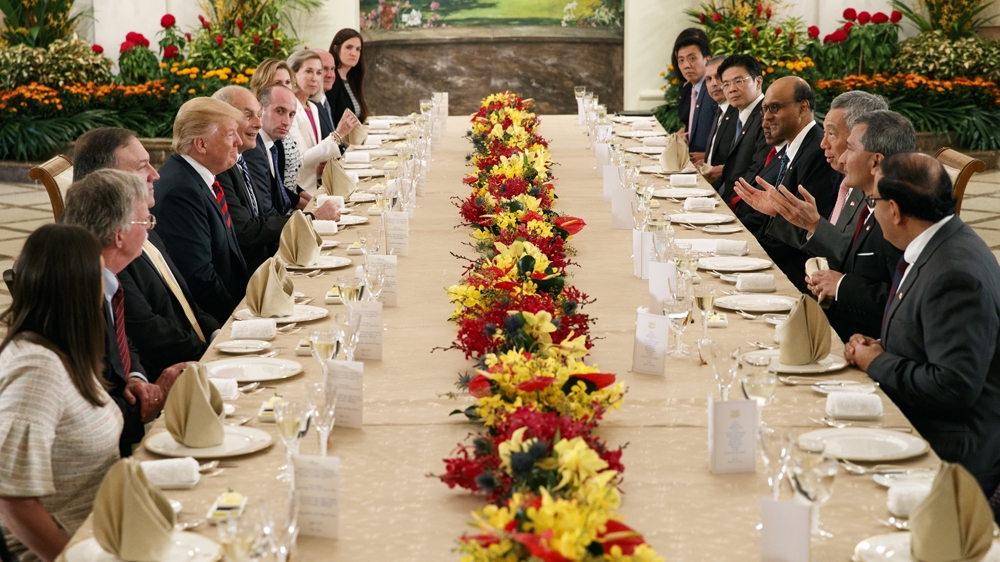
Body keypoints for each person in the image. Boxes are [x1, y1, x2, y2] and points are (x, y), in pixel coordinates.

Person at [847, 152, 1000, 514]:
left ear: (895, 210)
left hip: (949, 448)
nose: (873, 210)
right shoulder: (941, 242)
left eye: (874, 202)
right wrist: (883, 346)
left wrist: (877, 362)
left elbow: (954, 386)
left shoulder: (954, 274)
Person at [0, 225, 122, 562]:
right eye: (100, 274)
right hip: (78, 548)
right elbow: (13, 501)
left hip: (106, 532)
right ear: (78, 289)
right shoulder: (37, 372)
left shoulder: (58, 349)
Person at [71, 127, 220, 382]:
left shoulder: (139, 218)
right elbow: (145, 331)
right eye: (142, 167)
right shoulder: (103, 240)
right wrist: (216, 355)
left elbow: (184, 300)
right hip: (168, 372)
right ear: (109, 178)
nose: (156, 175)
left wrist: (219, 334)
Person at [213, 85, 341, 271]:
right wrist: (309, 218)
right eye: (248, 115)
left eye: (291, 115)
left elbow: (269, 206)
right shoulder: (240, 158)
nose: (258, 123)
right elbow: (248, 230)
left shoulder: (245, 156)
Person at [757, 91, 888, 269]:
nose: (823, 144)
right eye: (824, 132)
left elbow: (856, 260)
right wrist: (781, 213)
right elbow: (833, 245)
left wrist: (813, 224)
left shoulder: (877, 191)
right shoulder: (851, 181)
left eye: (832, 134)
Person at [732, 77, 836, 291]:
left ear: (802, 107)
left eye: (775, 108)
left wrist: (746, 256)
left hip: (796, 276)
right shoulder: (790, 150)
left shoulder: (819, 152)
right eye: (764, 110)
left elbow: (800, 234)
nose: (766, 118)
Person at [153, 97, 249, 325]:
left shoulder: (198, 175)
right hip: (213, 323)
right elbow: (200, 279)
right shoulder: (181, 191)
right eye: (230, 134)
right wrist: (239, 320)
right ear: (201, 144)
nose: (238, 141)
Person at [286, 49, 358, 192]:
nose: (315, 78)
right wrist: (338, 134)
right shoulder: (290, 109)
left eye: (319, 72)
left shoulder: (313, 107)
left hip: (317, 186)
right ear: (293, 75)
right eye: (309, 71)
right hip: (299, 192)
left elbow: (316, 154)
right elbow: (302, 160)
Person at [715, 54, 767, 200]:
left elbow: (757, 172)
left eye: (738, 81)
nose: (731, 89)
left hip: (743, 205)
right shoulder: (738, 114)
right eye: (726, 84)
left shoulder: (766, 119)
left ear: (758, 82)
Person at [249, 58, 302, 196]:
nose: (284, 87)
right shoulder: (259, 134)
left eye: (287, 82)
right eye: (278, 83)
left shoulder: (279, 128)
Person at [672, 29, 718, 157]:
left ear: (707, 59)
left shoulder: (714, 89)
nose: (686, 65)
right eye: (681, 60)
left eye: (692, 58)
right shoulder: (692, 87)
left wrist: (707, 156)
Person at [699, 55, 734, 185]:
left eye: (718, 77)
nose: (713, 83)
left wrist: (724, 170)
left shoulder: (738, 115)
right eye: (708, 79)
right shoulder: (720, 110)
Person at [327, 28, 370, 128]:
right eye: (349, 47)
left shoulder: (352, 78)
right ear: (335, 49)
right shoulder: (330, 80)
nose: (354, 53)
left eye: (358, 49)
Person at [312, 48, 338, 138]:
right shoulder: (309, 104)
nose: (330, 75)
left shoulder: (323, 100)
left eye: (332, 69)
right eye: (324, 69)